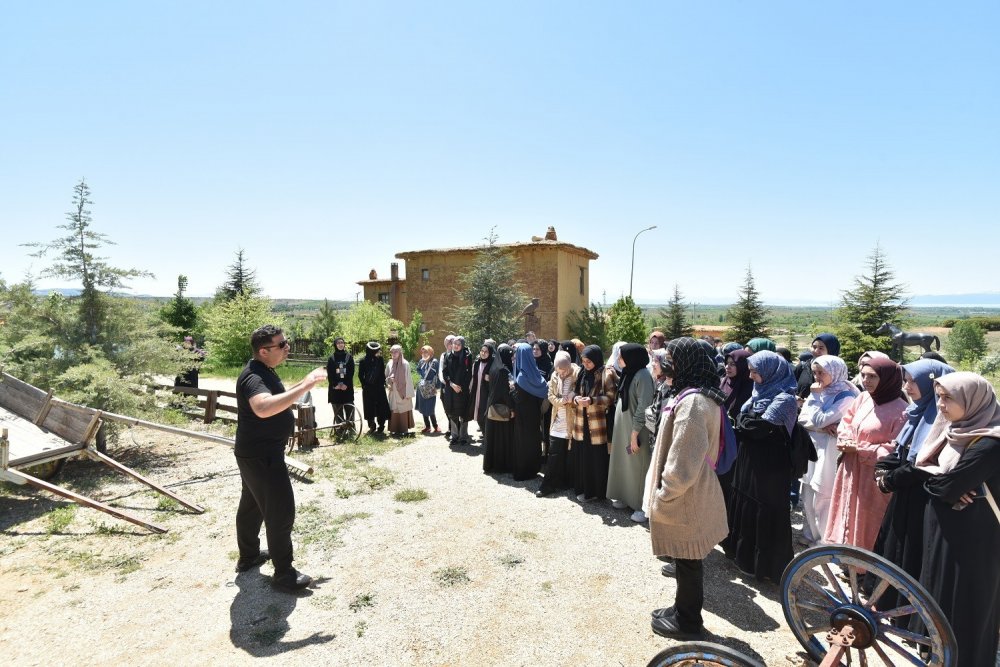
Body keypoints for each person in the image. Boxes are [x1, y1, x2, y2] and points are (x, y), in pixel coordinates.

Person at [915, 372, 1000, 667]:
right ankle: (938, 652)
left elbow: (947, 485)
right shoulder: (955, 430)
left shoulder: (990, 442)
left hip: (974, 536)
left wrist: (939, 485)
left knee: (966, 600)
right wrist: (943, 484)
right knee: (941, 592)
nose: (940, 404)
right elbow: (941, 480)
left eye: (948, 397)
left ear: (973, 400)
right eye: (938, 396)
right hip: (950, 528)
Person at [646, 337, 729, 638]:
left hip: (687, 497)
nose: (666, 363)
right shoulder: (697, 395)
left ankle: (689, 622)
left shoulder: (694, 403)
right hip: (692, 492)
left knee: (689, 560)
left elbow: (683, 463)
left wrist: (663, 495)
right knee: (684, 558)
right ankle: (681, 609)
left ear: (687, 363)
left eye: (672, 358)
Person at [233, 324, 326, 591]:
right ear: (263, 351)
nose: (287, 348)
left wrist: (304, 382)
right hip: (262, 457)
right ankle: (284, 574)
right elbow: (262, 407)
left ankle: (249, 556)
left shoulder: (264, 371)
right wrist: (305, 385)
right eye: (282, 345)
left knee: (251, 506)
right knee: (280, 511)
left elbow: (278, 398)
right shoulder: (253, 377)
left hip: (254, 453)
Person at [869, 358, 954, 606]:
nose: (906, 387)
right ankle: (885, 600)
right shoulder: (917, 413)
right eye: (905, 381)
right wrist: (884, 468)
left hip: (922, 498)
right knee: (894, 545)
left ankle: (904, 609)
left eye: (911, 382)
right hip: (904, 495)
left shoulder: (943, 420)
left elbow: (926, 466)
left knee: (912, 551)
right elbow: (901, 450)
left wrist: (891, 478)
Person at [728, 351, 798, 581]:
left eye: (755, 372)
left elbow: (756, 427)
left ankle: (766, 567)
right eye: (750, 370)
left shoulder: (784, 398)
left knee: (764, 509)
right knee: (745, 502)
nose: (750, 376)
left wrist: (744, 422)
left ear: (771, 372)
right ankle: (741, 557)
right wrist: (745, 422)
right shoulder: (759, 392)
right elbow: (744, 421)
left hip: (770, 466)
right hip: (750, 458)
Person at [823, 356, 907, 549]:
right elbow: (847, 421)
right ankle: (847, 556)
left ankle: (864, 567)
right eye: (863, 376)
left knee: (868, 518)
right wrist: (844, 438)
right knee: (847, 510)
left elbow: (896, 449)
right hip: (851, 468)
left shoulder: (901, 411)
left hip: (873, 476)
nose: (866, 381)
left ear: (887, 379)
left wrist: (860, 448)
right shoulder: (863, 398)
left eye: (873, 376)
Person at [797, 355, 858, 546]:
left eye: (821, 372)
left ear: (834, 372)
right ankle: (809, 534)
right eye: (814, 373)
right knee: (807, 492)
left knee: (823, 495)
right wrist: (821, 426)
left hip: (829, 451)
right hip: (813, 447)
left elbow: (819, 419)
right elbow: (803, 419)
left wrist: (814, 399)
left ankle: (823, 540)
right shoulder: (820, 391)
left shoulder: (846, 396)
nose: (817, 377)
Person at [607, 343, 655, 523]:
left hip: (636, 431)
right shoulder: (629, 373)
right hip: (625, 428)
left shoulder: (642, 376)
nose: (618, 359)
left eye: (621, 356)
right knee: (625, 463)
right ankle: (625, 497)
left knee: (638, 466)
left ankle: (641, 507)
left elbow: (643, 407)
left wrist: (634, 434)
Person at [570, 345, 617, 502]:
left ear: (596, 360)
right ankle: (584, 489)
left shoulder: (606, 373)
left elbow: (611, 397)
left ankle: (598, 492)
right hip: (580, 421)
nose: (585, 364)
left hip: (597, 423)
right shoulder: (581, 372)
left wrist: (591, 400)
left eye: (589, 362)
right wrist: (576, 399)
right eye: (583, 361)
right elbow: (573, 392)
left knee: (596, 458)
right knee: (583, 456)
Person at [537, 351, 578, 497]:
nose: (561, 374)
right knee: (553, 453)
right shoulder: (554, 375)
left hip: (571, 420)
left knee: (568, 454)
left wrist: (572, 396)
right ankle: (547, 485)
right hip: (557, 419)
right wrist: (563, 401)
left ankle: (564, 482)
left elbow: (579, 391)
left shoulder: (577, 373)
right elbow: (550, 396)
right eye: (559, 371)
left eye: (564, 371)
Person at [512, 342, 547, 481]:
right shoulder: (536, 374)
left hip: (522, 415)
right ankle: (534, 468)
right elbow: (543, 392)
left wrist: (512, 389)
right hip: (535, 414)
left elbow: (518, 399)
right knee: (534, 441)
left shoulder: (521, 377)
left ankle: (523, 471)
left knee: (522, 443)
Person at [483, 344, 515, 474]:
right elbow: (504, 393)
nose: (512, 358)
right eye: (511, 355)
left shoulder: (494, 367)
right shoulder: (503, 370)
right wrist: (512, 408)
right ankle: (501, 466)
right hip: (502, 408)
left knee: (493, 439)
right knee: (502, 439)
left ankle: (490, 465)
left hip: (492, 406)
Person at [443, 336, 473, 446]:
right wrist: (452, 384)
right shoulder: (448, 356)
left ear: (462, 345)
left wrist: (461, 387)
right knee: (453, 412)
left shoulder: (467, 356)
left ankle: (464, 436)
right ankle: (454, 435)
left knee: (464, 413)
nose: (455, 346)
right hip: (451, 389)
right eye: (454, 343)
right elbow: (445, 372)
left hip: (462, 390)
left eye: (458, 344)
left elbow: (469, 373)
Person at [358, 342, 391, 434]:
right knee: (369, 407)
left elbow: (382, 373)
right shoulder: (363, 361)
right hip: (368, 388)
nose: (377, 351)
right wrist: (364, 385)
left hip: (379, 387)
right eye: (375, 350)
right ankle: (372, 425)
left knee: (381, 407)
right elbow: (361, 375)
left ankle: (381, 425)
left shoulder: (380, 359)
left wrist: (382, 383)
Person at [796, 333, 840, 398]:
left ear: (831, 350)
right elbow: (790, 387)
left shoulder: (838, 371)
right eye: (814, 347)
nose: (816, 351)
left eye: (821, 348)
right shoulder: (803, 366)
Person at [385, 344, 415, 436]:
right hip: (393, 391)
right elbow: (386, 376)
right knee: (394, 409)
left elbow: (409, 379)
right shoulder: (389, 363)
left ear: (400, 352)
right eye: (392, 352)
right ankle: (394, 429)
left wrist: (408, 394)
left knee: (403, 409)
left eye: (396, 352)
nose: (394, 354)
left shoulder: (405, 364)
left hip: (403, 392)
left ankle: (404, 429)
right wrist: (389, 381)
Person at [325, 337, 355, 425]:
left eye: (342, 342)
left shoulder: (349, 357)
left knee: (349, 408)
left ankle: (351, 429)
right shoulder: (331, 358)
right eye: (338, 343)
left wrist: (345, 384)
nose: (340, 344)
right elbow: (330, 373)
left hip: (347, 388)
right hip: (335, 389)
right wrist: (335, 385)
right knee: (338, 411)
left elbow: (351, 372)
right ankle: (339, 430)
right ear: (335, 345)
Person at [415, 345, 440, 434]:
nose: (424, 354)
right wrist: (423, 376)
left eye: (426, 352)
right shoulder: (421, 361)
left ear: (431, 352)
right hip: (422, 388)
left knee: (430, 408)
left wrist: (437, 387)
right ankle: (427, 426)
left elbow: (438, 375)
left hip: (431, 388)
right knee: (423, 408)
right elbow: (418, 369)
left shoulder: (435, 362)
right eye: (423, 352)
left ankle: (436, 426)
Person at [439, 335, 455, 441]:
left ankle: (455, 429)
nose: (451, 345)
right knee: (446, 405)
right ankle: (450, 425)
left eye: (452, 342)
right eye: (449, 343)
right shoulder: (443, 355)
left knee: (456, 406)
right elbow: (441, 370)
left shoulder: (460, 355)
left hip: (456, 385)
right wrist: (445, 382)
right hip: (445, 384)